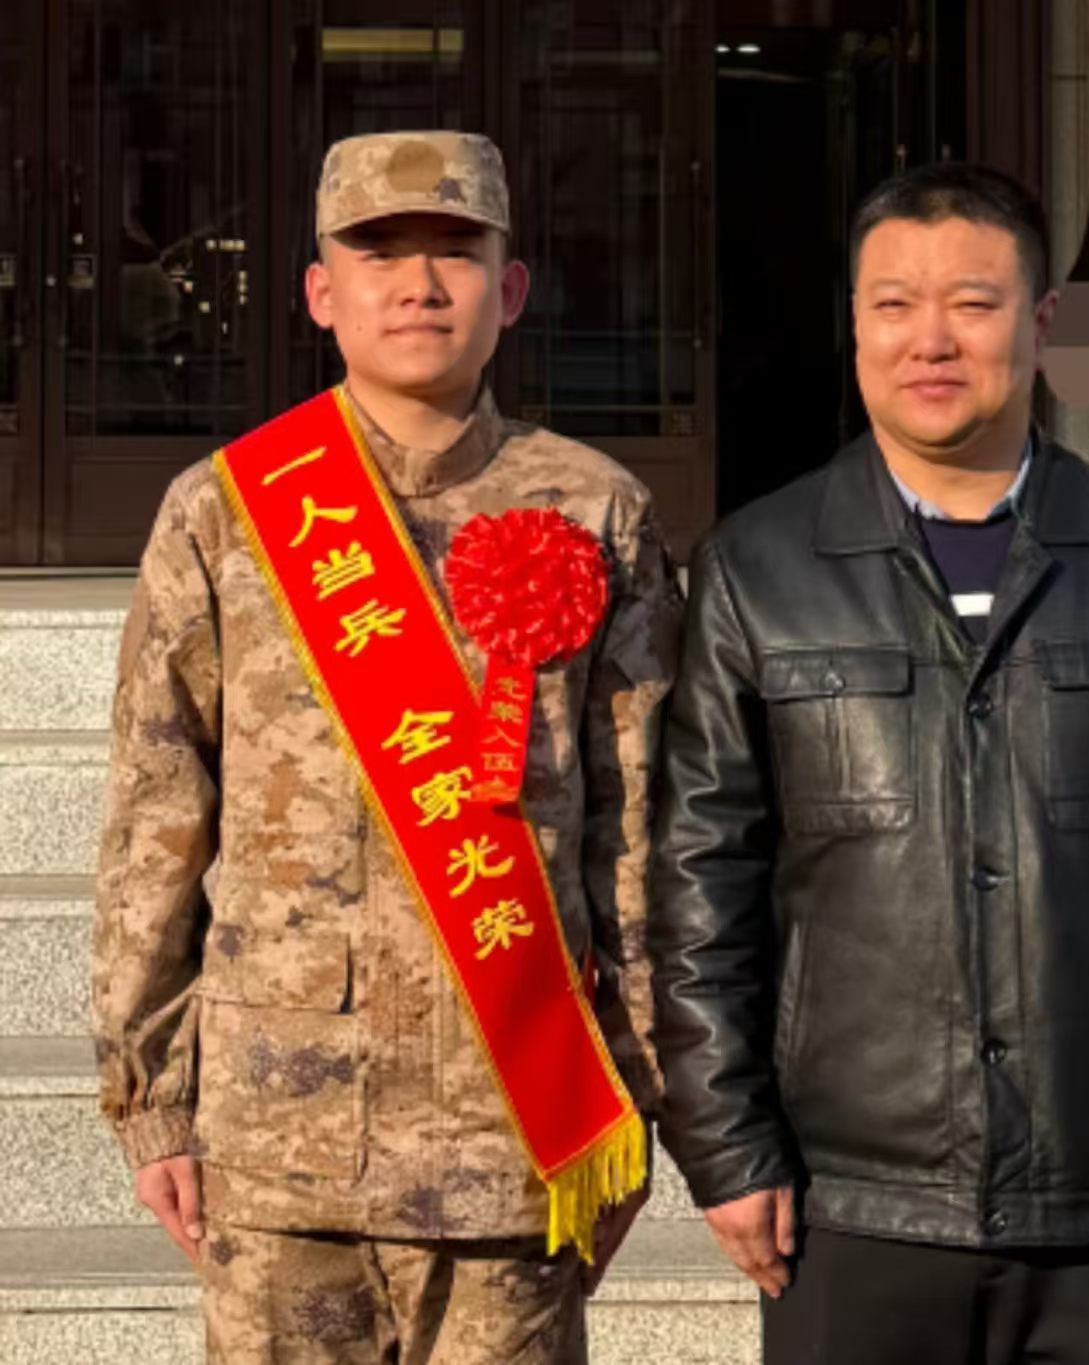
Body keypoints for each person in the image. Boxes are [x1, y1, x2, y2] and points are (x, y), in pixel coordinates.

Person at [648, 162, 1089, 1365]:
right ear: (852, 323)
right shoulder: (757, 567)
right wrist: (724, 1147)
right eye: (892, 305)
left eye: (972, 304)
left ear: (1040, 321)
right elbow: (698, 886)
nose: (929, 340)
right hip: (847, 1205)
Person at [93, 130, 681, 1364]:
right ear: (320, 292)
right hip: (278, 1135)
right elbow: (156, 813)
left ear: (509, 290)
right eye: (378, 255)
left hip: (510, 1134)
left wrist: (634, 1092)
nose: (418, 285)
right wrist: (151, 1099)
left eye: (454, 254)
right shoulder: (226, 510)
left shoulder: (594, 509)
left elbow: (636, 827)